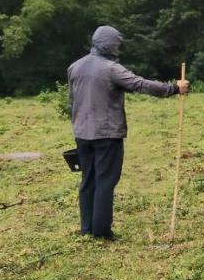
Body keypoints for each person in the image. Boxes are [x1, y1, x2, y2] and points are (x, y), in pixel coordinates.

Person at [67, 26, 190, 239]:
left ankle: (86, 229)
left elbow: (72, 100)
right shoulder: (111, 69)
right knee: (105, 181)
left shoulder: (74, 67)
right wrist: (173, 88)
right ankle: (102, 232)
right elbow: (140, 84)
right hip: (107, 134)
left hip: (81, 133)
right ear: (111, 45)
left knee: (88, 179)